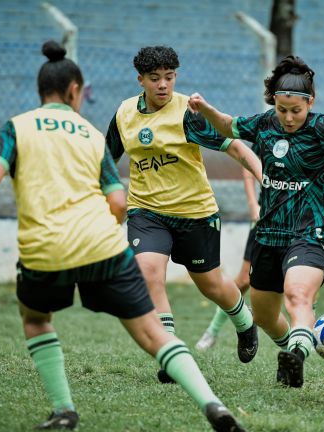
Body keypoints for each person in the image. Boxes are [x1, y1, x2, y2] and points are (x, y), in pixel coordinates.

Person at [0, 41, 245, 431]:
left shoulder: (17, 126)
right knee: (151, 332)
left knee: (36, 319)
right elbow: (118, 201)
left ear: (41, 91)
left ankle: (64, 409)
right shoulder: (91, 135)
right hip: (102, 246)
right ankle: (213, 405)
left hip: (45, 248)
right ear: (75, 92)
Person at [187, 55, 324, 388]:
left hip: (309, 232)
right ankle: (290, 351)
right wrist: (205, 108)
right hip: (267, 234)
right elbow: (228, 125)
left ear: (311, 102)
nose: (289, 117)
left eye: (296, 110)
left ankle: (297, 353)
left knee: (297, 297)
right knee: (264, 315)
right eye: (282, 110)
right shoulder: (265, 123)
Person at [105, 46, 262, 383]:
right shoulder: (124, 114)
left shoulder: (187, 113)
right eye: (155, 78)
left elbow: (233, 145)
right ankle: (171, 352)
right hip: (146, 210)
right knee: (148, 274)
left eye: (170, 77)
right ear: (141, 80)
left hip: (195, 213)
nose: (163, 85)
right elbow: (106, 159)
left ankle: (244, 323)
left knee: (212, 285)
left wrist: (264, 176)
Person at [196, 167, 260, 351]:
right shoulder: (267, 137)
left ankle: (303, 337)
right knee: (243, 280)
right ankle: (212, 331)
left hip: (301, 219)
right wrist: (253, 204)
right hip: (267, 217)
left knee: (300, 283)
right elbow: (247, 164)